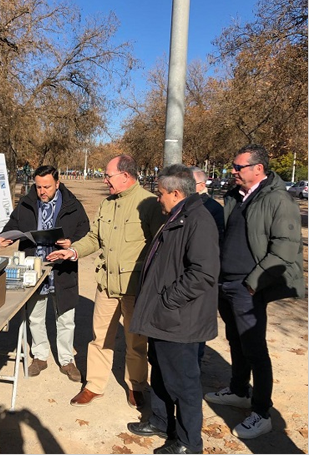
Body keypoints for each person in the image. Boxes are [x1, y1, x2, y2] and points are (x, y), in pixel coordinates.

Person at [46, 154, 164, 409]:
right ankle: (94, 386)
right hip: (106, 286)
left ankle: (136, 386)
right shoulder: (106, 204)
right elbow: (94, 238)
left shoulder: (150, 204)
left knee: (136, 342)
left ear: (125, 176)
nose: (105, 180)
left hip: (135, 289)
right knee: (99, 338)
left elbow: (160, 246)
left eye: (108, 176)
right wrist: (73, 251)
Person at [204, 144, 304, 439]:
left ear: (257, 168)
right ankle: (239, 390)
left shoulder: (278, 200)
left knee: (255, 349)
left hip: (249, 287)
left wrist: (251, 283)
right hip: (227, 282)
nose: (232, 171)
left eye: (238, 167)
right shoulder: (234, 196)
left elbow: (284, 250)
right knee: (235, 340)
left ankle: (261, 412)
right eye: (233, 167)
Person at [127, 164, 220, 454]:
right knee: (163, 374)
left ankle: (188, 443)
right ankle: (160, 420)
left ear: (176, 193)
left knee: (183, 384)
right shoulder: (178, 216)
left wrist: (168, 300)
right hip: (164, 319)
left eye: (161, 193)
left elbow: (204, 273)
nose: (158, 198)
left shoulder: (198, 219)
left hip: (179, 321)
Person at [0, 165, 89, 382]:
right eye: (38, 187)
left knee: (65, 317)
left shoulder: (72, 206)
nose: (42, 191)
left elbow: (85, 231)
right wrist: (2, 238)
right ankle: (40, 356)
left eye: (47, 186)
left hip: (62, 270)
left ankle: (66, 360)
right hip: (34, 268)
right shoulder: (27, 203)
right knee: (35, 316)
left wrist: (71, 242)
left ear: (57, 184)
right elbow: (12, 224)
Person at [190, 166, 225, 368]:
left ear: (202, 185)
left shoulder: (213, 209)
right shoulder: (183, 206)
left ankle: (195, 365)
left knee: (198, 324)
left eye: (189, 183)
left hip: (203, 276)